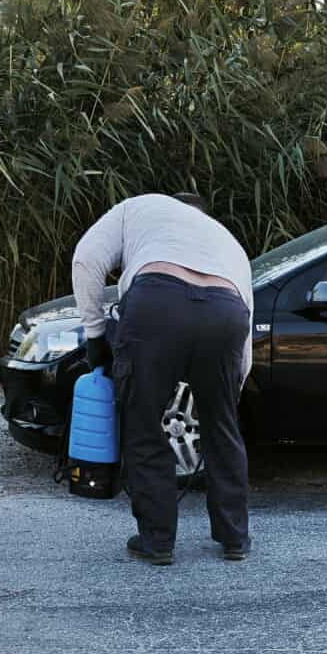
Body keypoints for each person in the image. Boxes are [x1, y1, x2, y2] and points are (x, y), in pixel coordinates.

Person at [71, 192, 254, 566]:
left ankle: (157, 541)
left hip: (157, 303)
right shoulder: (225, 237)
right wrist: (234, 386)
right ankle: (234, 537)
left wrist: (94, 336)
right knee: (223, 429)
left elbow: (86, 259)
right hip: (225, 311)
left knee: (143, 425)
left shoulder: (134, 208)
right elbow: (246, 316)